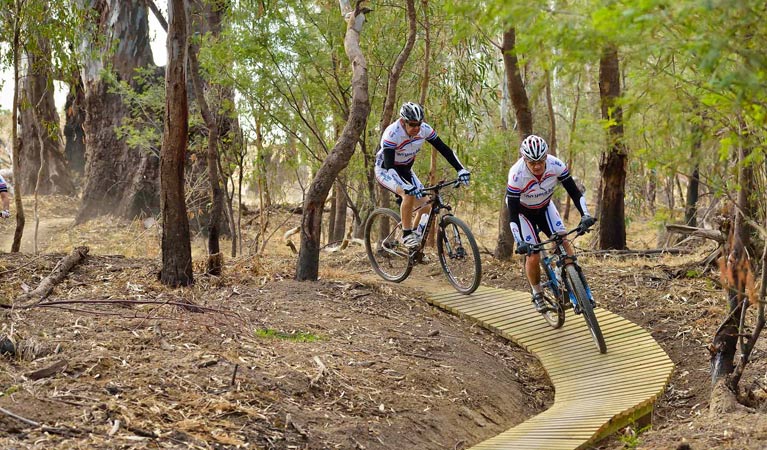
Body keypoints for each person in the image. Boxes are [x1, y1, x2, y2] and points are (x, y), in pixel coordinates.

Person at [506, 134, 595, 312]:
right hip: (523, 213)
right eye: (532, 163)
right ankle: (537, 292)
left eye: (541, 160)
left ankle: (577, 285)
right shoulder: (517, 174)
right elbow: (513, 214)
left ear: (547, 156)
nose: (538, 166)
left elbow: (575, 193)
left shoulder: (556, 165)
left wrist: (585, 215)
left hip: (545, 207)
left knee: (563, 240)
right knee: (533, 255)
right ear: (524, 160)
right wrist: (519, 241)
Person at [375, 102, 470, 248]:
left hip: (406, 170)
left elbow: (444, 149)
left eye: (419, 124)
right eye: (412, 124)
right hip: (386, 170)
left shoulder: (424, 130)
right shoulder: (392, 133)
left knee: (426, 206)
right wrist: (405, 186)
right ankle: (407, 235)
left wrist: (460, 169)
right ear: (403, 121)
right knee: (408, 194)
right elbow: (390, 166)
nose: (416, 128)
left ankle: (414, 241)